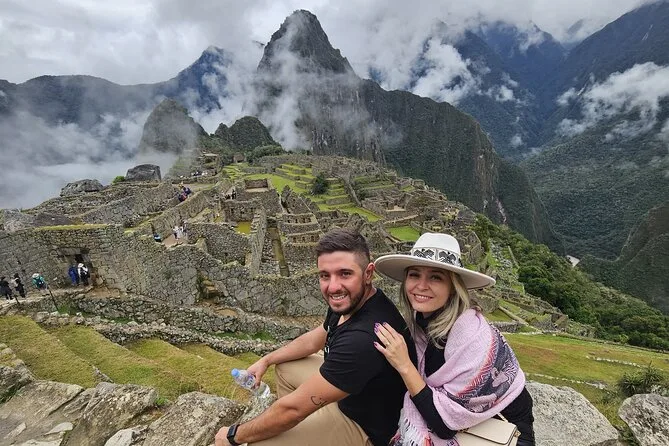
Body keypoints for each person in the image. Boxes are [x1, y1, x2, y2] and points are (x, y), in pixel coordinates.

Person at [215, 228, 417, 446]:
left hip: (364, 426)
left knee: (261, 443)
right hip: (351, 394)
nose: (333, 286)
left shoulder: (362, 338)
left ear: (368, 273)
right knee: (285, 367)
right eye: (325, 275)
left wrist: (233, 435)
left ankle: (299, 425)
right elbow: (314, 340)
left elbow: (292, 410)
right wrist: (267, 359)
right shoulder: (352, 301)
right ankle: (302, 422)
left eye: (345, 274)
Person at [372, 233, 535, 446]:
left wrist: (404, 365)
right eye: (414, 275)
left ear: (453, 287)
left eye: (435, 277)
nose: (421, 285)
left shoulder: (470, 339)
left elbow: (444, 426)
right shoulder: (422, 325)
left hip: (504, 435)